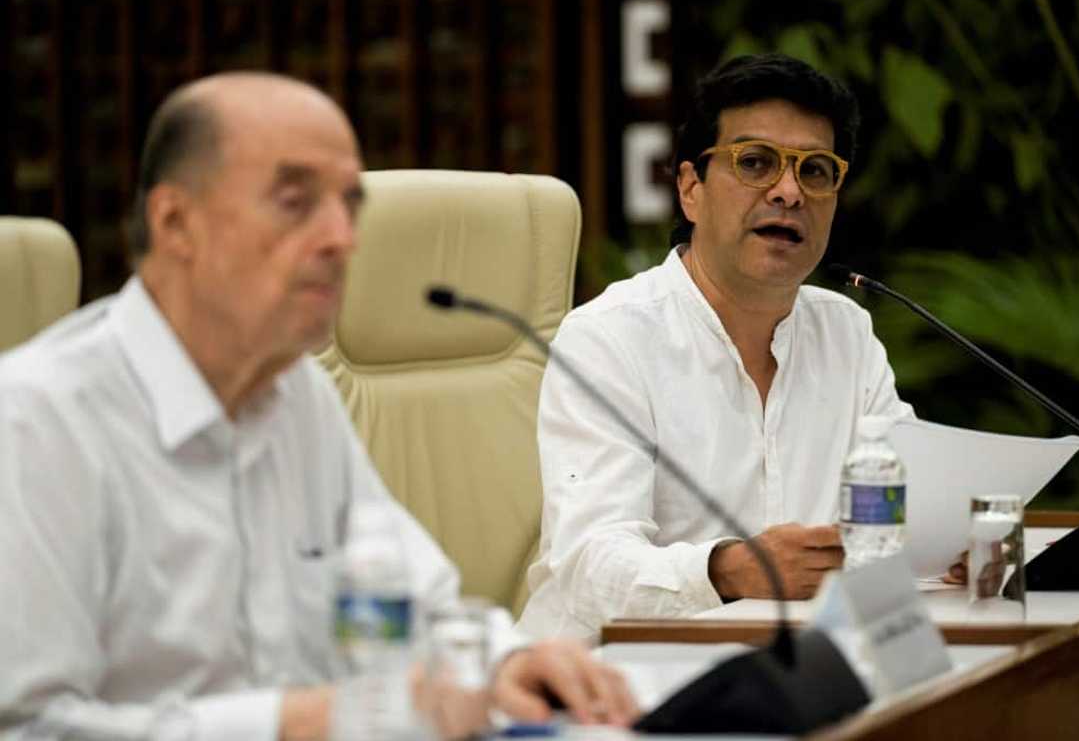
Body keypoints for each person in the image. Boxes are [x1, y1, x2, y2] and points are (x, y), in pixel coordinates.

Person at [0, 72, 634, 739]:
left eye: (349, 205)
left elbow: (416, 603)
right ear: (175, 222)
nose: (342, 238)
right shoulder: (37, 422)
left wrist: (509, 662)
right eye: (295, 201)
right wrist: (290, 722)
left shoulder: (295, 394)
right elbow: (28, 727)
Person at [517, 54, 913, 641]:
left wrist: (944, 541)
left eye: (816, 172)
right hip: (612, 683)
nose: (788, 192)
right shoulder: (609, 338)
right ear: (690, 189)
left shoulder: (846, 333)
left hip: (799, 669)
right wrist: (726, 570)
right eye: (755, 163)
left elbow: (906, 497)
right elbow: (587, 568)